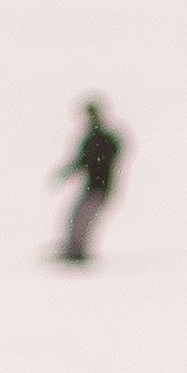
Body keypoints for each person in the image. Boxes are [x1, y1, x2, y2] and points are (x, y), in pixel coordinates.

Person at [52, 100, 127, 264]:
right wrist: (67, 172)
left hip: (100, 186)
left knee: (82, 217)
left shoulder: (102, 138)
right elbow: (82, 161)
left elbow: (107, 154)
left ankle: (78, 252)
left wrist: (96, 163)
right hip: (94, 185)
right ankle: (74, 249)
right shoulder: (93, 138)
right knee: (77, 216)